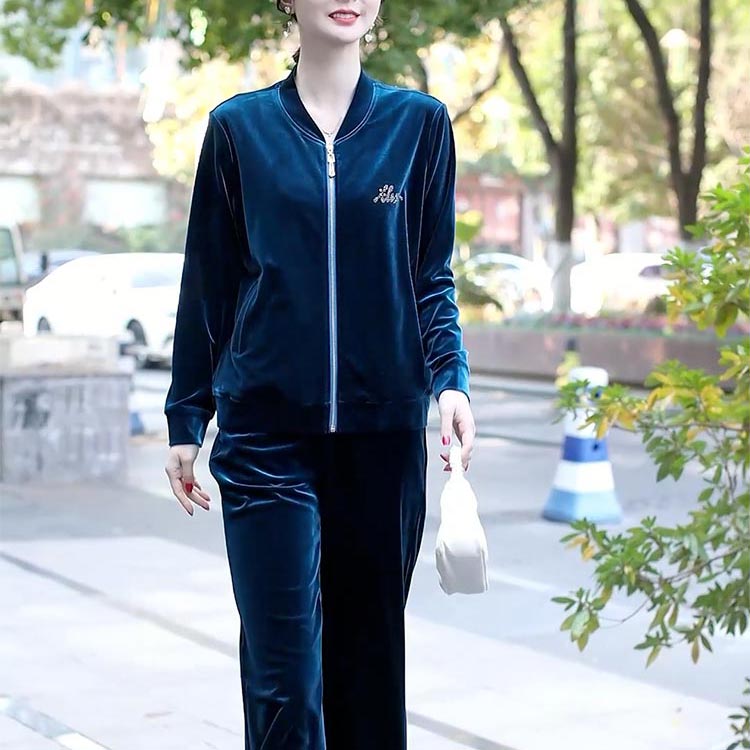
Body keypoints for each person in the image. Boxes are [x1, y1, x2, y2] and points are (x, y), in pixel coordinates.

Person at [163, 1, 475, 747]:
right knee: (285, 687)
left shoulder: (419, 125)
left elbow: (430, 276)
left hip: (382, 438)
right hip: (265, 438)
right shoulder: (239, 129)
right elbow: (209, 283)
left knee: (369, 674)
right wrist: (187, 417)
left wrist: (450, 381)